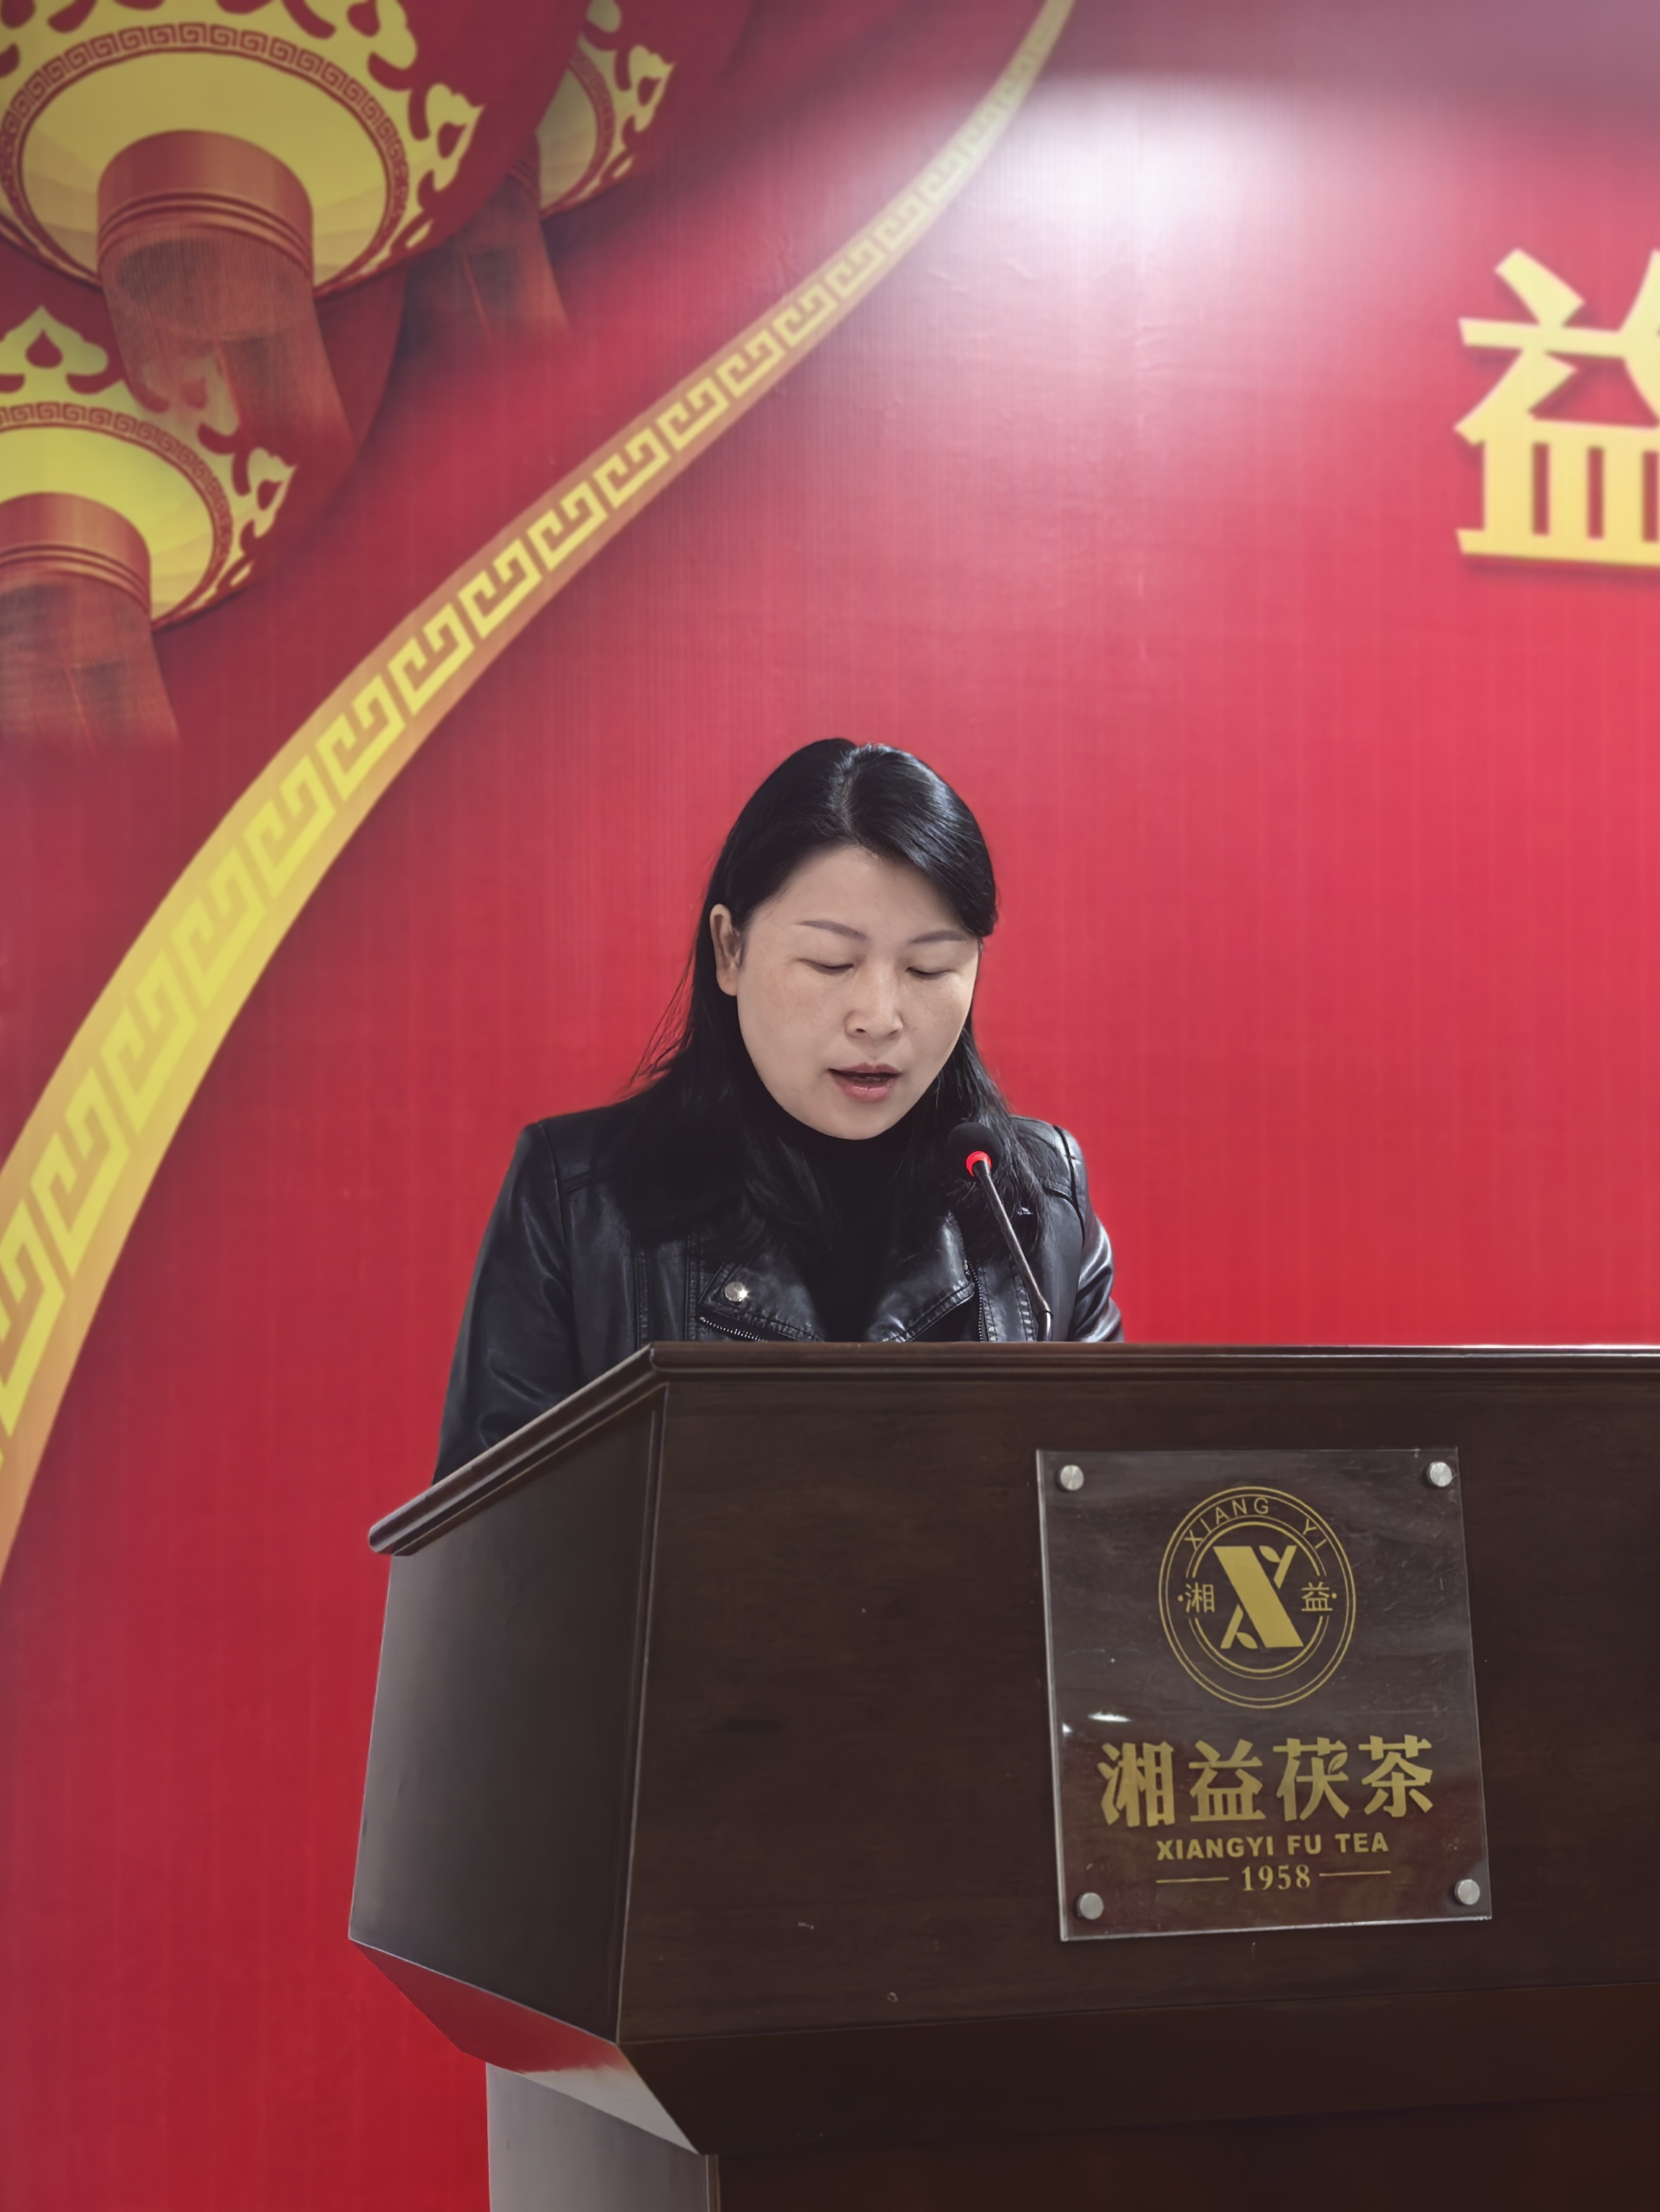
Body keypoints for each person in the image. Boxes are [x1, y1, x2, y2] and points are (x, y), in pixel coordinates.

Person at [434, 738, 1121, 1478]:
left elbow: (1109, 1511)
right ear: (729, 949)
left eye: (929, 968)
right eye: (831, 963)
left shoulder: (1038, 1206)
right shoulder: (578, 1205)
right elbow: (494, 1535)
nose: (878, 1017)